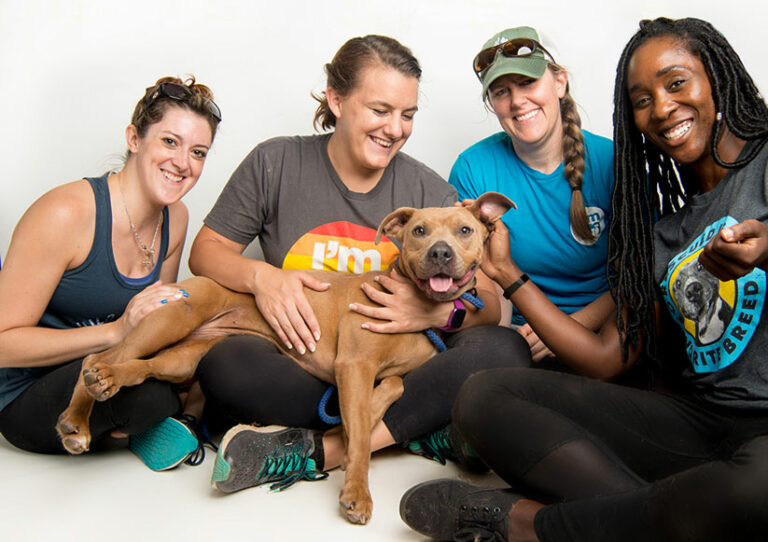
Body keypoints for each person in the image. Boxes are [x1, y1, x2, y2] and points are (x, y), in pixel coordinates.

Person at [399, 16, 768, 542]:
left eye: (677, 82)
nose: (662, 107)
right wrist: (505, 272)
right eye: (642, 99)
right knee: (481, 396)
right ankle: (665, 512)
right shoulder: (666, 232)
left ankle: (529, 524)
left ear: (717, 77)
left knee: (753, 489)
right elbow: (605, 360)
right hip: (698, 422)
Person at [189, 34, 528, 493]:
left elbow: (490, 307)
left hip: (396, 372)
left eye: (407, 115)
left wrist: (435, 312)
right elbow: (205, 251)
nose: (395, 128)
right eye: (380, 110)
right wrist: (262, 276)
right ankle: (416, 429)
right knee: (225, 366)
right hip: (308, 362)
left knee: (503, 349)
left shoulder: (427, 191)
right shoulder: (277, 161)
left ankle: (321, 450)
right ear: (337, 99)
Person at [0, 76, 222, 472]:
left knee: (211, 365)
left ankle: (137, 424)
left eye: (199, 152)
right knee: (151, 398)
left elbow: (156, 324)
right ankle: (138, 424)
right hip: (23, 392)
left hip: (103, 371)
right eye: (170, 142)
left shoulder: (175, 217)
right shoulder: (65, 213)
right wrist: (115, 331)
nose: (183, 163)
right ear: (134, 139)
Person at [449, 26, 615, 366]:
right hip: (516, 337)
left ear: (559, 82)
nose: (516, 101)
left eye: (528, 83)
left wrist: (565, 329)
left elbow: (642, 275)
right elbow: (476, 280)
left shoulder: (615, 161)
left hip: (603, 332)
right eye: (501, 91)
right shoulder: (472, 167)